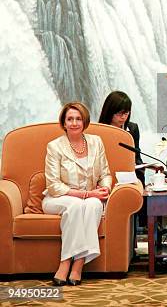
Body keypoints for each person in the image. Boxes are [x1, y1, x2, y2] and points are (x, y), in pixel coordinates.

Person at [43, 102, 111, 286]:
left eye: (78, 118)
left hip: (91, 198)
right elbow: (53, 186)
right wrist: (87, 194)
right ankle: (65, 262)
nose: (74, 123)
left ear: (85, 121)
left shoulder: (96, 142)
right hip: (58, 198)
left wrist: (105, 188)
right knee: (75, 205)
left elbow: (105, 174)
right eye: (70, 119)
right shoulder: (54, 147)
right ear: (63, 123)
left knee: (94, 205)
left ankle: (78, 264)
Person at [98, 91, 145, 185]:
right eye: (120, 114)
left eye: (126, 113)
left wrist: (139, 168)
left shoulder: (133, 129)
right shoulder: (99, 130)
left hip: (128, 175)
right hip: (105, 174)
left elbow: (137, 157)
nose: (123, 117)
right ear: (110, 111)